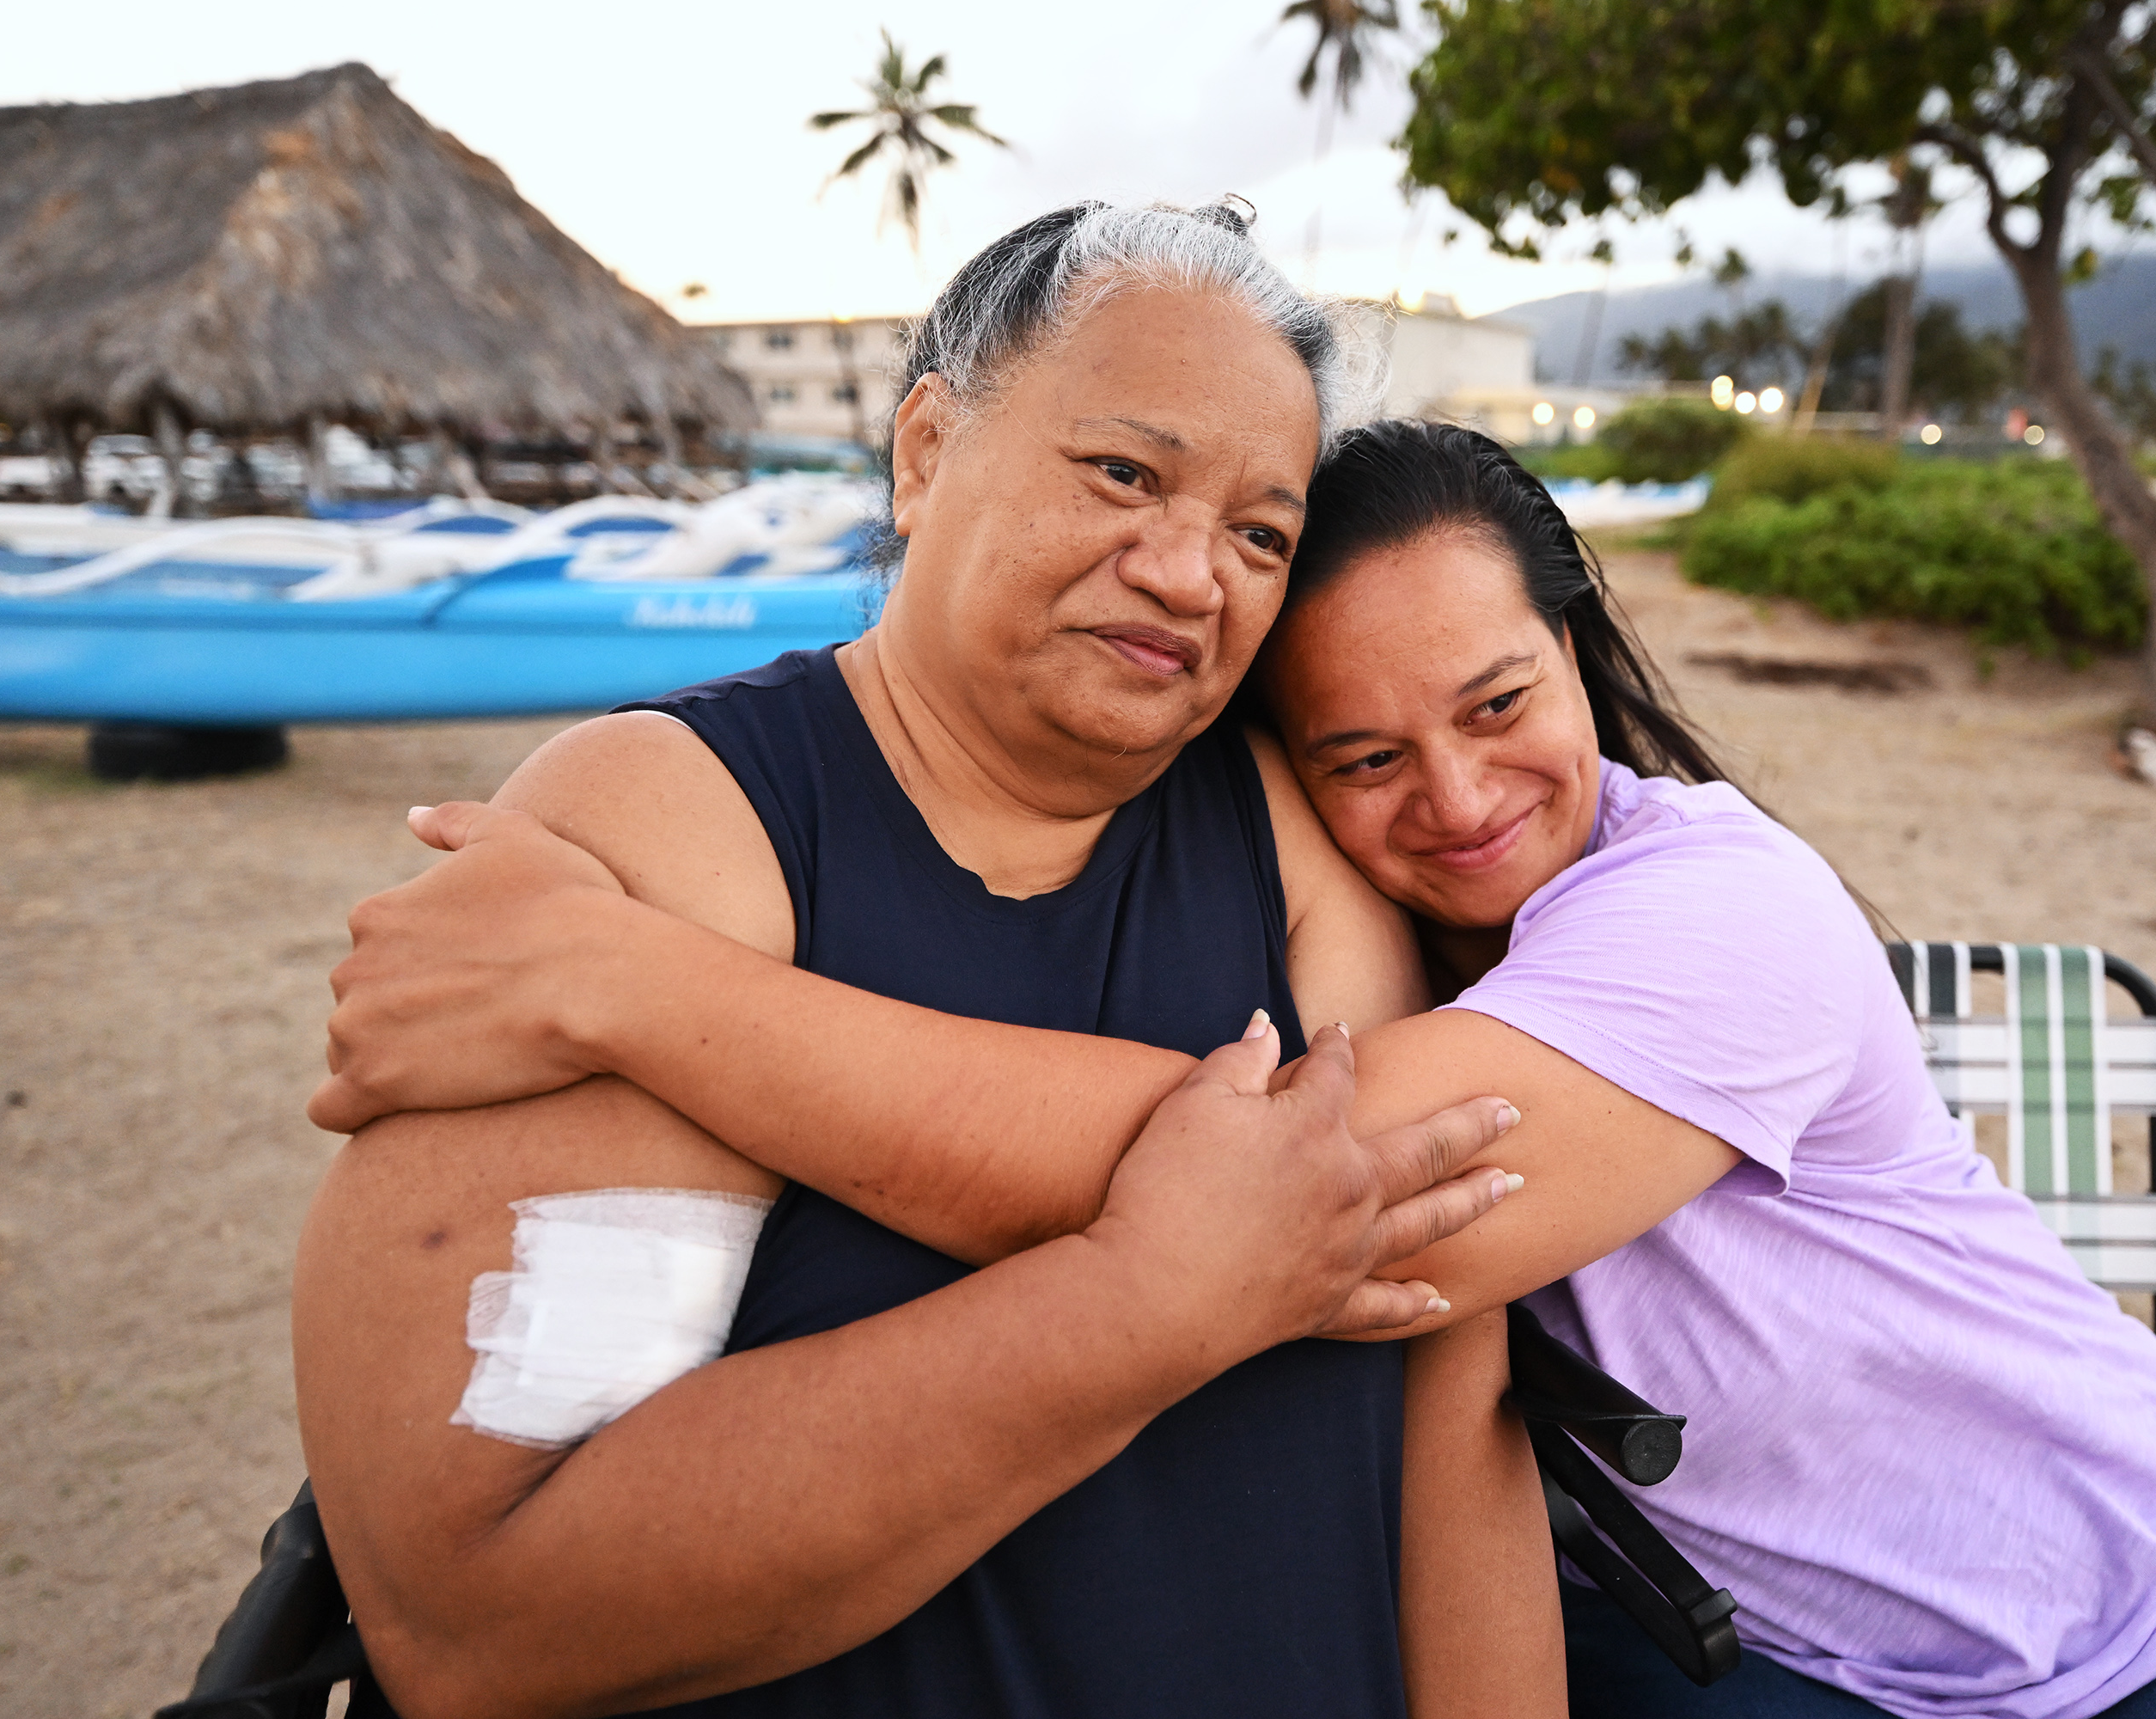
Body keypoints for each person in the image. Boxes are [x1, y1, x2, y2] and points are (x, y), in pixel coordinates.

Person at [323, 419, 2156, 1719]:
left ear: (1583, 654)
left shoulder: (1717, 910)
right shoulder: (1354, 943)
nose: (1453, 795)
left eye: (1501, 699)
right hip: (1761, 1655)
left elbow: (1310, 1195)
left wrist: (624, 986)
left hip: (2142, 1605)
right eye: (1361, 752)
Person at [292, 205, 1563, 1719]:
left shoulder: (1289, 829)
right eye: (1124, 474)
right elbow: (475, 1616)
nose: (1189, 573)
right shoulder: (677, 828)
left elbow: (1446, 1382)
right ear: (923, 452)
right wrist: (1142, 1302)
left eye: (1260, 534)